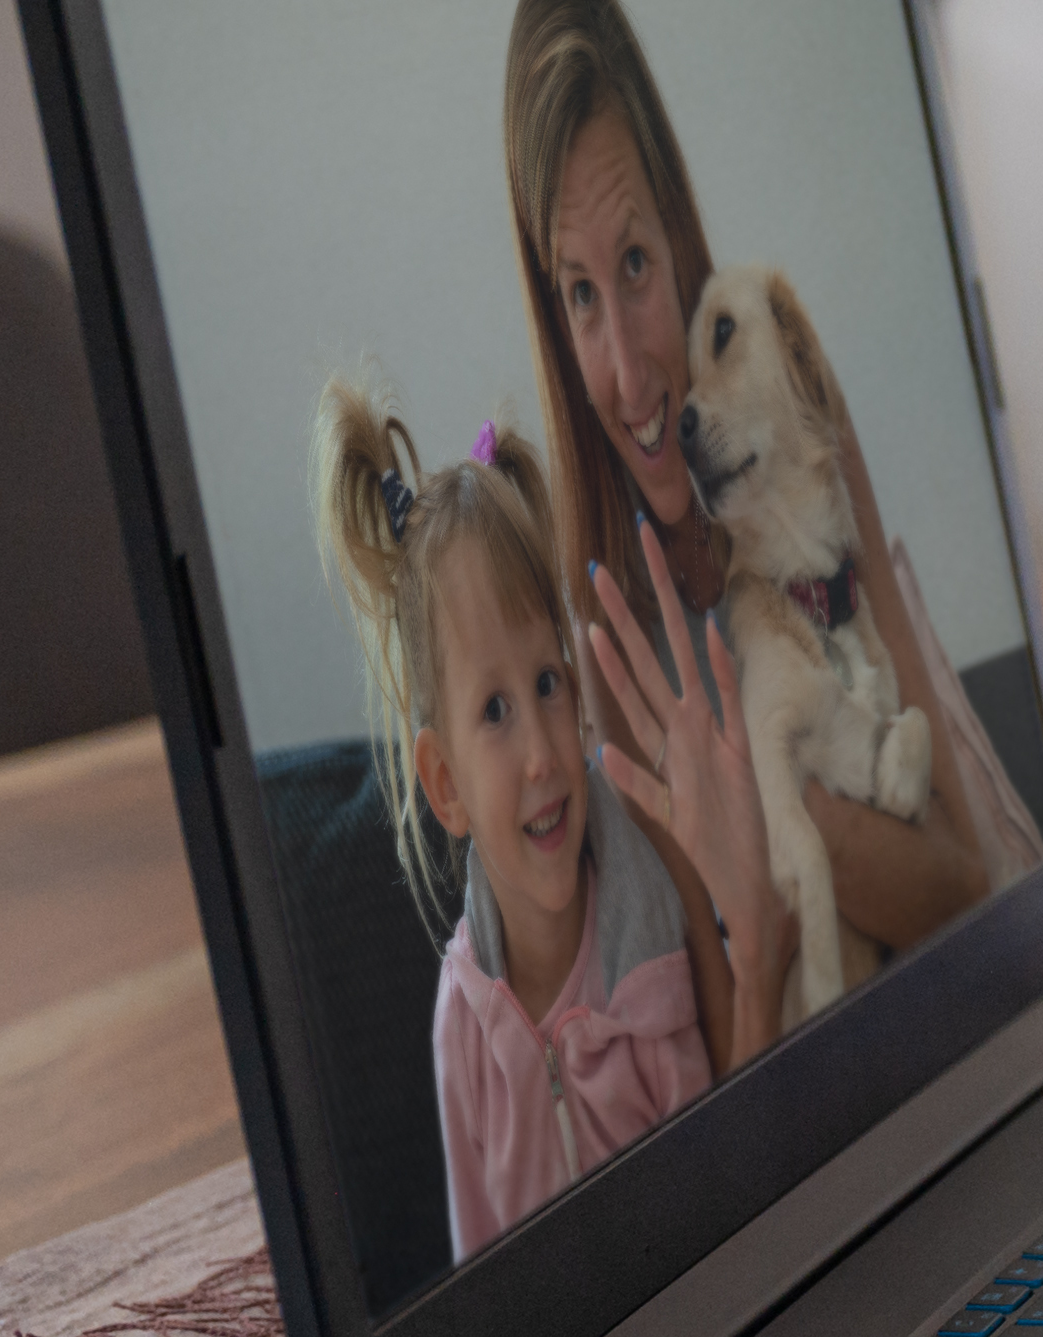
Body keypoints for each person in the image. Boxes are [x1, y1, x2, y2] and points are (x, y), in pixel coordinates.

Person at [503, 0, 1043, 1012]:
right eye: (578, 294)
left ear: (682, 235)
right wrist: (769, 909)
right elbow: (733, 1029)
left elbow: (959, 877)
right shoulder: (605, 640)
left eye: (636, 268)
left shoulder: (800, 430)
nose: (626, 369)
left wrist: (773, 806)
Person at [310, 383, 790, 1259]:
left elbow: (730, 1211)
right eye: (494, 710)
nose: (540, 752)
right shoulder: (463, 1022)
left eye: (546, 685)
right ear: (444, 785)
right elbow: (482, 1276)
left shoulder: (648, 952)